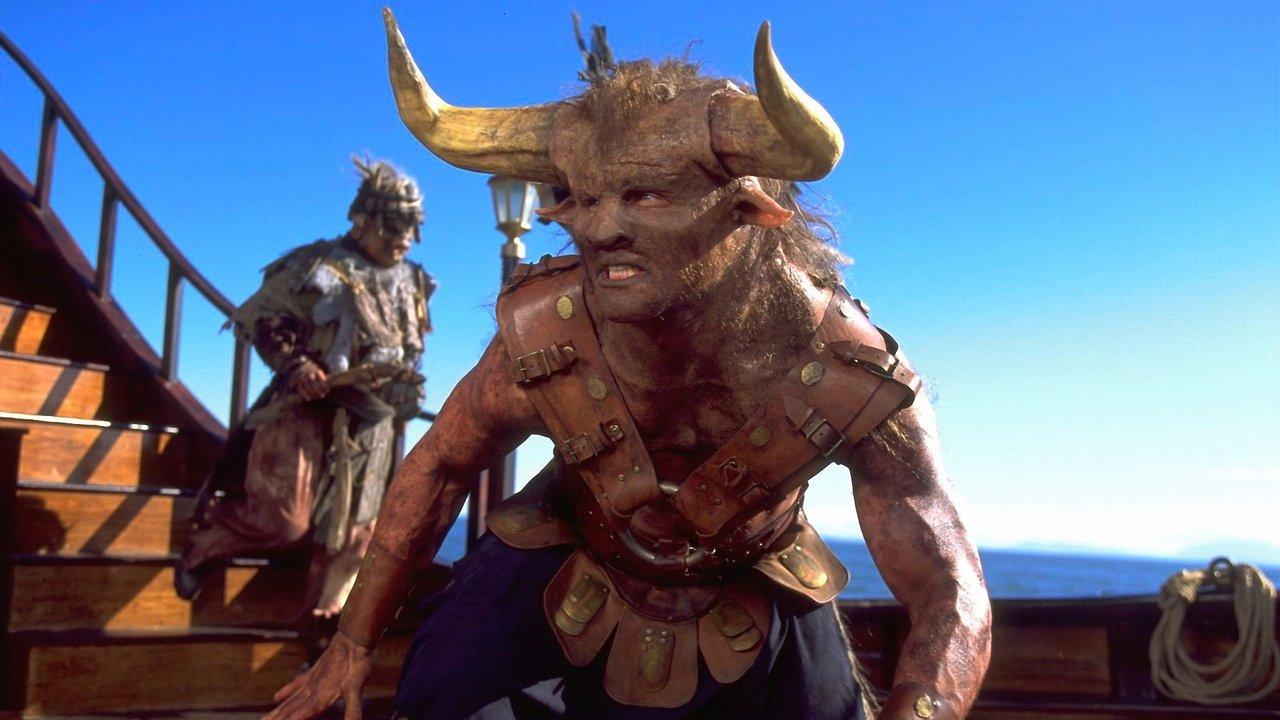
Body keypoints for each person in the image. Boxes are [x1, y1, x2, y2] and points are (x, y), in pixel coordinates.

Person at [267, 12, 991, 720]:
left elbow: (948, 586)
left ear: (749, 209)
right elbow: (440, 465)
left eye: (644, 194)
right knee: (447, 699)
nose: (600, 227)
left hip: (755, 581)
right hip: (560, 559)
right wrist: (352, 645)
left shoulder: (847, 370)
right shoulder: (546, 332)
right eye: (583, 199)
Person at [177, 157, 435, 618]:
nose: (405, 239)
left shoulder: (413, 282)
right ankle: (207, 542)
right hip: (303, 407)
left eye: (412, 228)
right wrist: (297, 365)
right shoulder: (317, 264)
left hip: (369, 422)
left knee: (353, 536)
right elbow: (267, 318)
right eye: (395, 226)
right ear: (363, 220)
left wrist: (403, 388)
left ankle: (315, 630)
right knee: (284, 520)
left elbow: (408, 350)